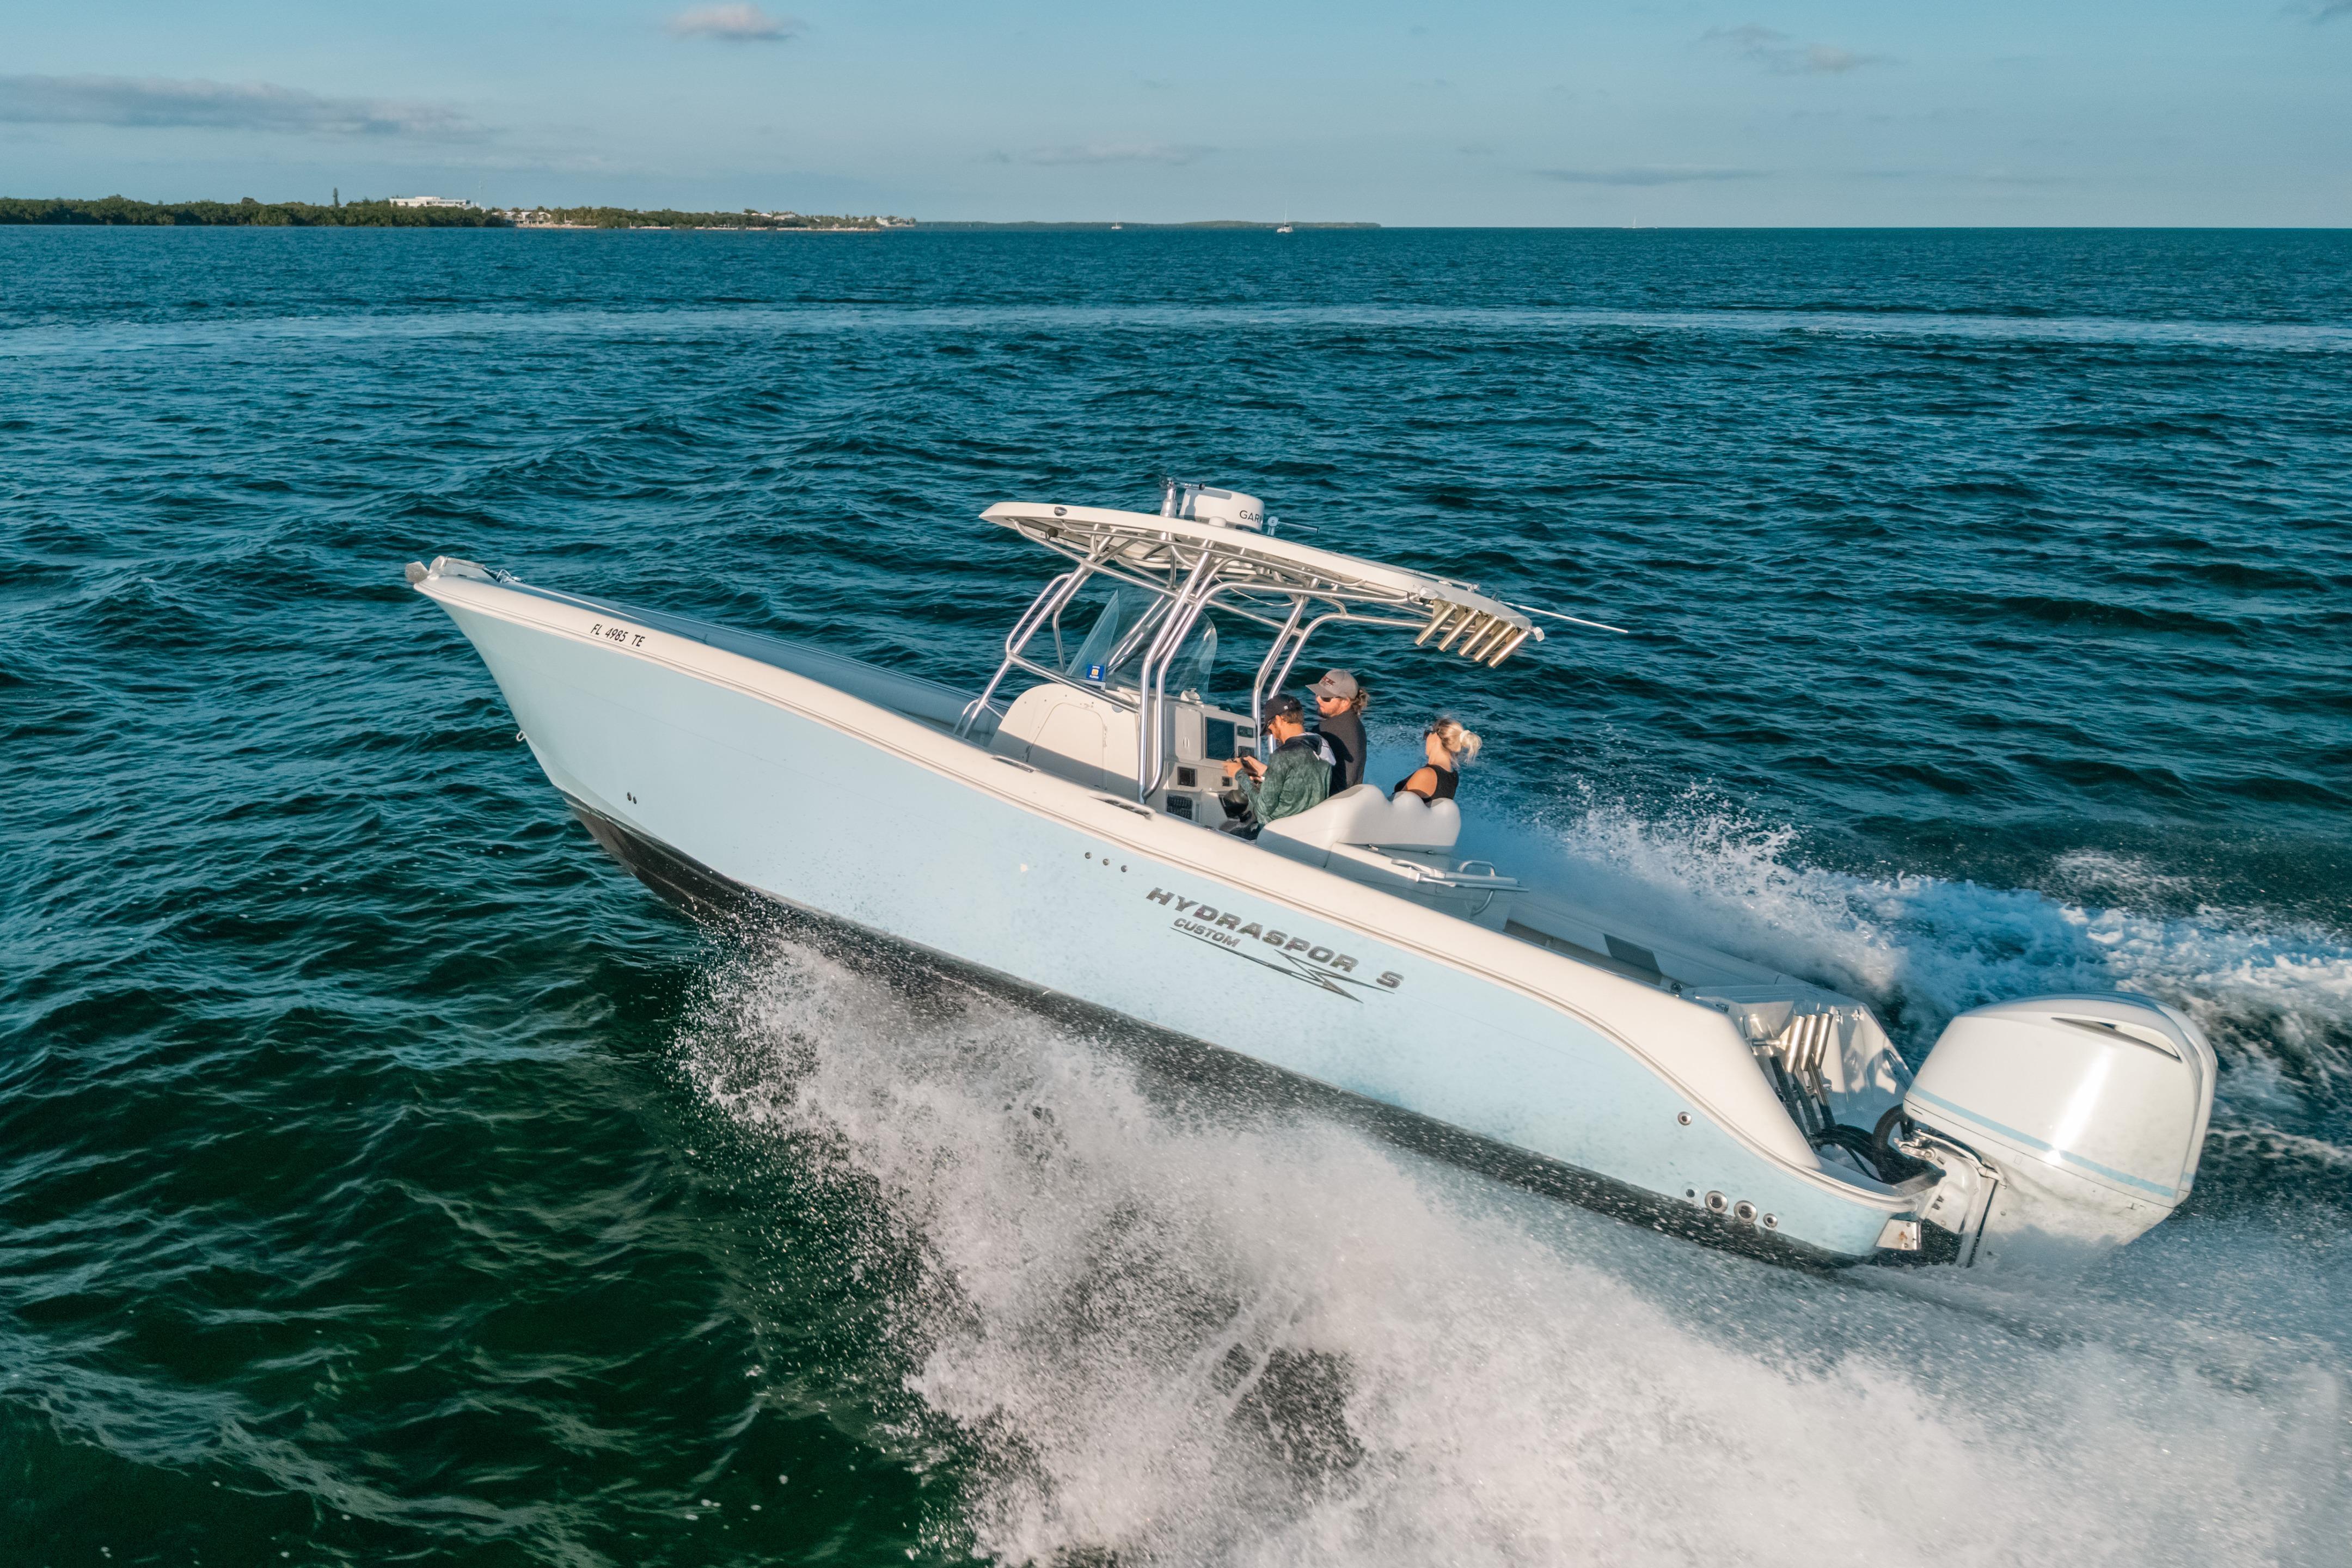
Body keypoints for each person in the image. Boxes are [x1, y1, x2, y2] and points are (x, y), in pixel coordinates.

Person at [1222, 694, 1333, 829]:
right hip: (1312, 826)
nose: (1274, 735)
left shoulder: (1282, 755)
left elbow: (1264, 808)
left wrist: (1239, 774)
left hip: (1278, 830)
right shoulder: (1321, 744)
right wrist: (1267, 772)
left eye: (1270, 728)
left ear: (1279, 720)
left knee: (1226, 830)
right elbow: (1303, 781)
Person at [1308, 669, 1369, 794]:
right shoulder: (1357, 726)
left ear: (1345, 702)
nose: (1318, 700)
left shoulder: (1324, 731)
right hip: (1349, 798)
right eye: (1318, 693)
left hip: (1331, 802)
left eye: (1326, 697)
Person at [1394, 717, 1481, 802]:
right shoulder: (1453, 776)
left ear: (1435, 736)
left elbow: (1399, 806)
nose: (1425, 739)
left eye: (1427, 733)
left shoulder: (1426, 775)